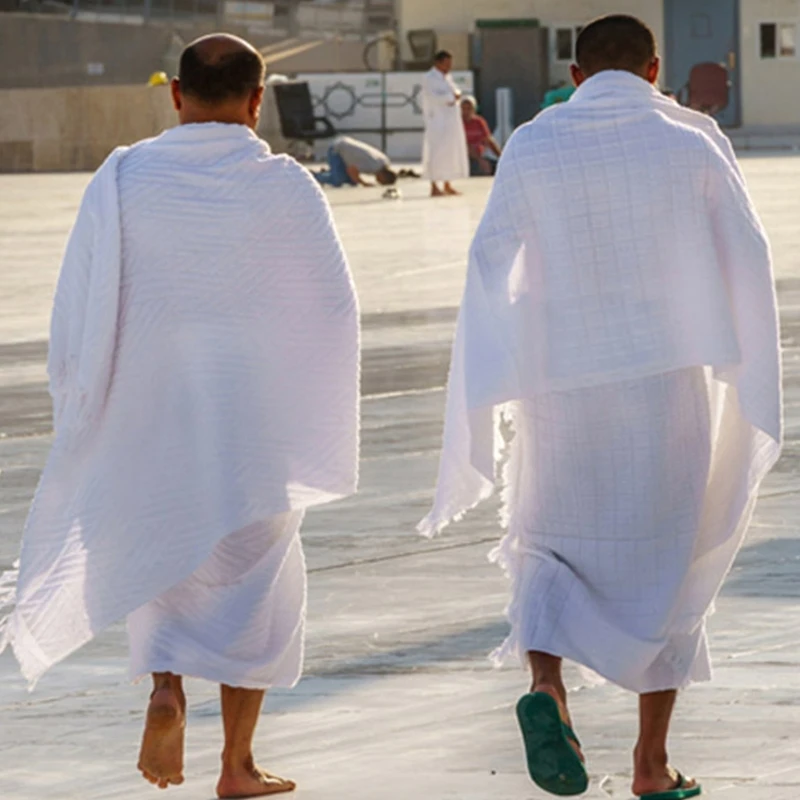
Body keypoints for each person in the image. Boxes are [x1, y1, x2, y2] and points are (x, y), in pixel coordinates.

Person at [419, 14, 781, 800]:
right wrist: (742, 361)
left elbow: (490, 259)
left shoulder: (537, 143)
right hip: (666, 383)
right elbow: (746, 256)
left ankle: (546, 685)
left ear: (575, 75)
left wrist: (505, 354)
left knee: (548, 543)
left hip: (561, 381)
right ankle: (652, 765)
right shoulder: (693, 142)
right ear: (656, 70)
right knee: (671, 561)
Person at [0, 34, 359, 798]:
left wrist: (82, 396)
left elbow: (82, 294)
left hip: (152, 409)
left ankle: (166, 683)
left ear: (175, 94)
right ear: (257, 100)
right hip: (253, 417)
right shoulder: (287, 185)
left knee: (165, 560)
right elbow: (332, 308)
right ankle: (238, 764)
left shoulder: (125, 175)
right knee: (257, 582)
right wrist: (311, 413)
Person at [422, 50, 469, 197]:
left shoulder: (447, 77)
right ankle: (434, 186)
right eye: (446, 63)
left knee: (450, 152)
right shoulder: (429, 78)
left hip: (450, 122)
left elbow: (455, 91)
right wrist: (451, 97)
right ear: (438, 63)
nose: (449, 67)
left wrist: (456, 95)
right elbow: (433, 97)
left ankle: (447, 184)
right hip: (437, 122)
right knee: (436, 153)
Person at [314, 135, 398, 188]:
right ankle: (314, 177)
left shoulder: (384, 161)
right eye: (381, 181)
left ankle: (330, 173)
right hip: (337, 150)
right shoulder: (372, 166)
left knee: (352, 182)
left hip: (345, 145)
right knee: (337, 180)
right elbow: (351, 170)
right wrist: (364, 183)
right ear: (383, 176)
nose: (378, 181)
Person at [461, 96, 502, 176]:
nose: (466, 112)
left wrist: (501, 157)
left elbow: (488, 140)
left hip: (481, 155)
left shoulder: (479, 122)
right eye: (463, 109)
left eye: (469, 108)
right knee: (478, 168)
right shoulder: (458, 123)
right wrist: (480, 160)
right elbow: (464, 145)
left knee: (496, 167)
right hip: (466, 158)